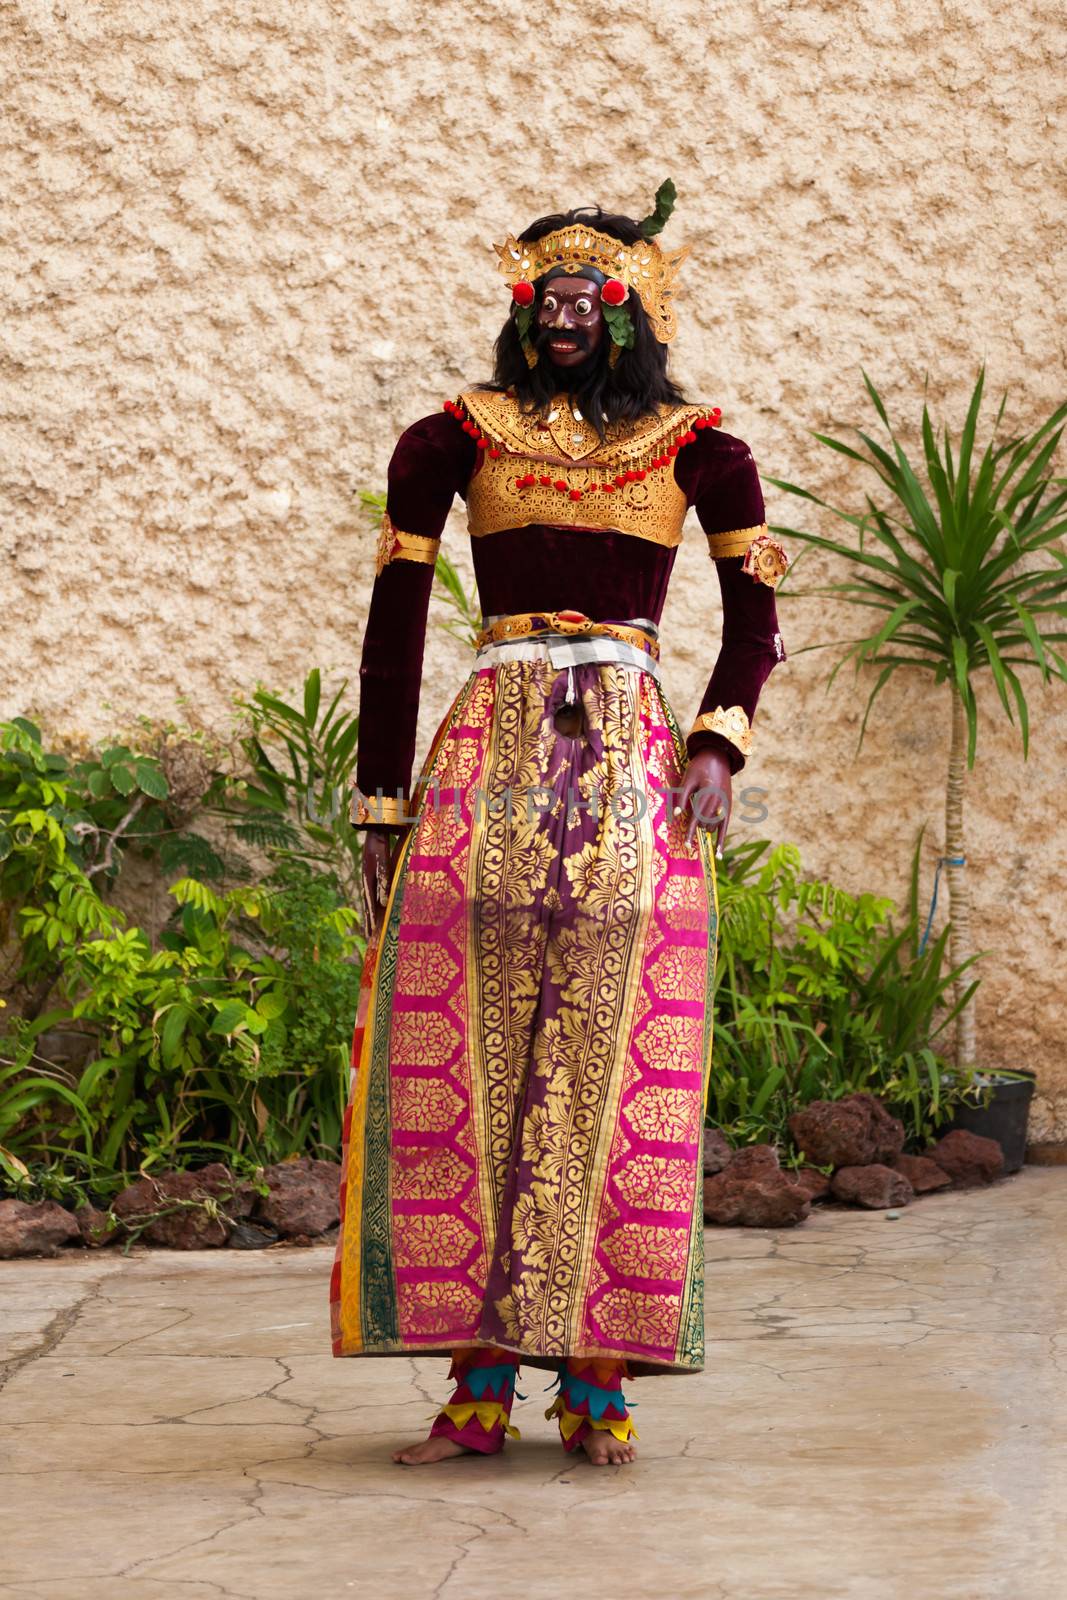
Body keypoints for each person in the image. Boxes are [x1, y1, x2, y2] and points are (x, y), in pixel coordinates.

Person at [330, 185, 788, 1467]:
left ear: (632, 307)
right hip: (486, 755)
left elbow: (756, 604)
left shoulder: (698, 447)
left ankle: (597, 1381)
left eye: (594, 294)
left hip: (634, 762)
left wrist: (718, 739)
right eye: (548, 295)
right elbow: (396, 625)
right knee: (461, 1056)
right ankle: (475, 1386)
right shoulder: (451, 437)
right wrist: (381, 802)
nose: (570, 312)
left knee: (611, 1052)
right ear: (524, 310)